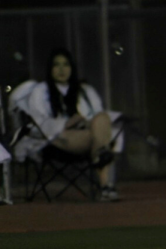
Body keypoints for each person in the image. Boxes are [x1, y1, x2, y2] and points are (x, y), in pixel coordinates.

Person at [25, 48, 118, 200]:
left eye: (66, 65)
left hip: (87, 134)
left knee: (102, 118)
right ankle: (106, 185)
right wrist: (67, 123)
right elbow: (40, 123)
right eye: (57, 65)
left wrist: (85, 122)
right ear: (50, 68)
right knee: (102, 142)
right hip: (56, 140)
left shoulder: (85, 90)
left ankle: (103, 168)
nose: (62, 69)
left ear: (72, 68)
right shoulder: (40, 91)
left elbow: (97, 116)